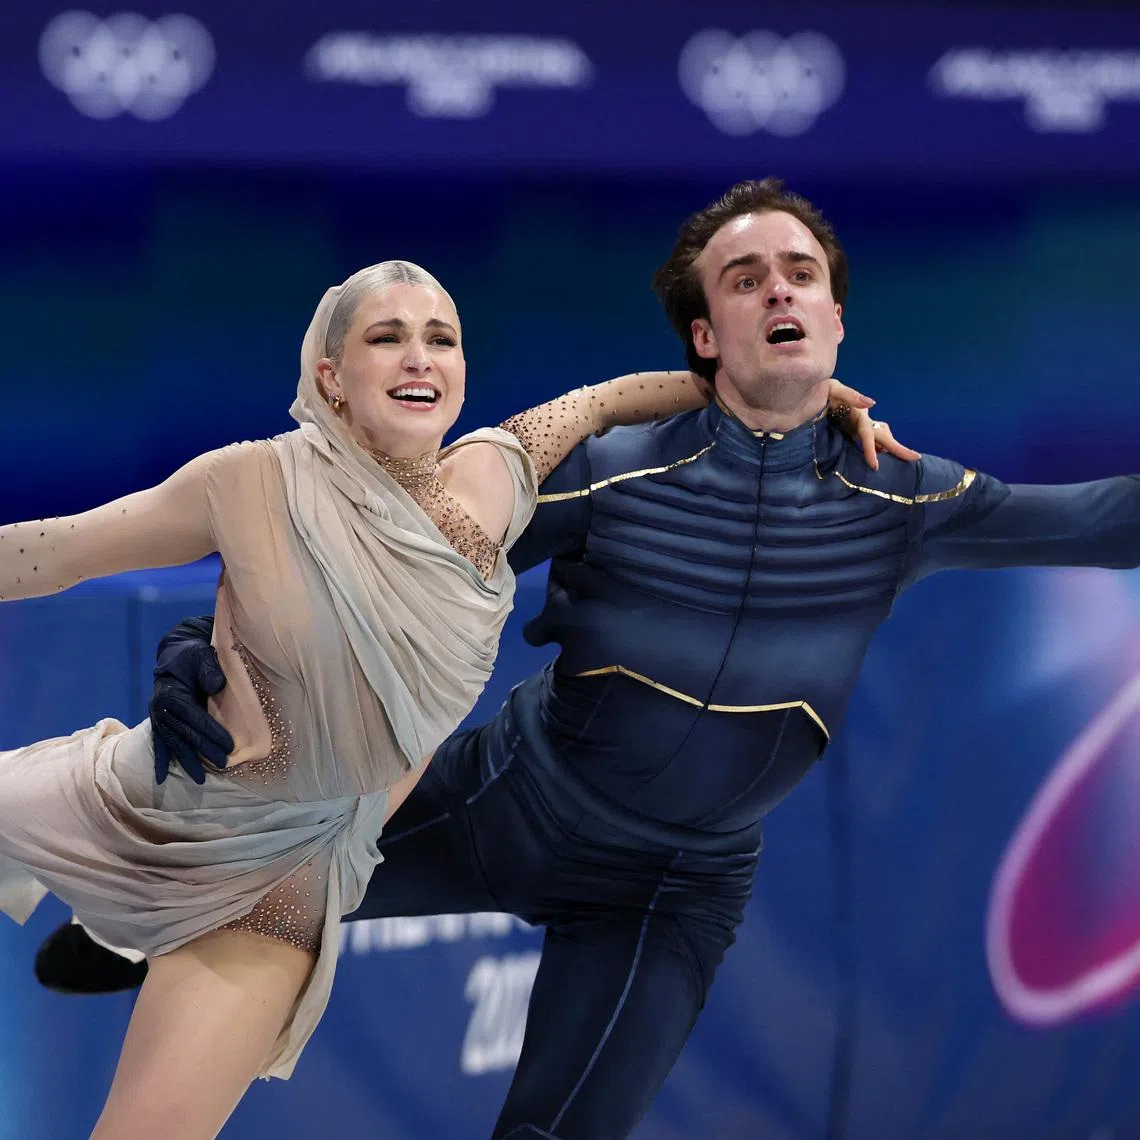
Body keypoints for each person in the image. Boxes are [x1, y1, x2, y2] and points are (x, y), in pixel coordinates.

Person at [48, 177, 1122, 1140]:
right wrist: (203, 643)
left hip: (672, 886)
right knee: (239, 870)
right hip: (514, 801)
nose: (780, 293)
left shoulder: (906, 498)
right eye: (746, 280)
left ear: (838, 317)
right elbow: (369, 570)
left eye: (801, 275)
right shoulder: (612, 473)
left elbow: (1096, 518)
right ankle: (139, 924)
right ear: (705, 335)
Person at [5, 256, 895, 1140]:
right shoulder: (250, 480)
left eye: (442, 339)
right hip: (135, 793)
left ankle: (108, 933)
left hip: (273, 880)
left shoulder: (495, 481)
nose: (419, 358)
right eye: (386, 338)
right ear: (331, 374)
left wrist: (798, 394)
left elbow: (604, 401)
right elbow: (58, 552)